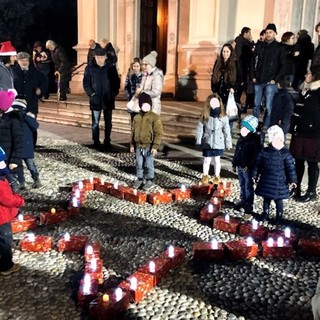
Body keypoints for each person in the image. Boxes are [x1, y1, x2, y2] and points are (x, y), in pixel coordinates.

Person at [253, 125, 297, 224]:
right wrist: (254, 175)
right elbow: (258, 165)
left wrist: (293, 180)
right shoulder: (265, 152)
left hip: (279, 181)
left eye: (279, 139)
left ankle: (279, 216)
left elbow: (290, 168)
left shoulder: (285, 154)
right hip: (266, 180)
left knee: (278, 200)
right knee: (266, 199)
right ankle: (265, 214)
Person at [289, 71, 320, 202]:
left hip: (313, 133)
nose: (306, 75)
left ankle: (311, 192)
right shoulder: (304, 90)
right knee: (298, 161)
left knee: (312, 163)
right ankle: (296, 188)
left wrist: (314, 126)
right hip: (299, 131)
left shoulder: (318, 92)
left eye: (308, 74)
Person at [250, 23, 287, 129]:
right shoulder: (259, 46)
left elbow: (283, 65)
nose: (268, 34)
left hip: (271, 81)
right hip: (258, 79)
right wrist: (252, 75)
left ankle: (266, 124)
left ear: (275, 33)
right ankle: (254, 124)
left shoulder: (280, 47)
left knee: (269, 106)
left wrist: (275, 79)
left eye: (270, 32)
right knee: (256, 105)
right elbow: (253, 61)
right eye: (266, 32)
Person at [83, 48, 120, 150]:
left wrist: (113, 92)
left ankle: (107, 140)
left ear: (105, 57)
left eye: (102, 57)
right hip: (96, 99)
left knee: (108, 122)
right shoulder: (90, 67)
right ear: (95, 57)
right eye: (98, 57)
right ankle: (96, 141)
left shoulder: (110, 67)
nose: (100, 59)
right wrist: (91, 93)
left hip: (108, 98)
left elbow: (116, 81)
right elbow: (86, 82)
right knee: (95, 122)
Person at [195, 93, 232, 185]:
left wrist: (228, 143)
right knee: (206, 160)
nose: (215, 104)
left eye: (216, 102)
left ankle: (216, 176)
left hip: (218, 142)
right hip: (207, 141)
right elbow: (200, 129)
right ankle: (205, 175)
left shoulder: (223, 117)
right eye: (212, 102)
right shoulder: (204, 116)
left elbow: (227, 130)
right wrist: (198, 141)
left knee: (216, 160)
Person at [130, 92, 163, 190]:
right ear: (140, 105)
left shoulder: (154, 117)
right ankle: (139, 178)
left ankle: (150, 179)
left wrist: (155, 146)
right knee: (139, 164)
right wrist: (132, 144)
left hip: (149, 146)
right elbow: (133, 132)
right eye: (144, 105)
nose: (146, 107)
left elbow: (158, 133)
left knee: (149, 164)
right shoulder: (136, 117)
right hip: (138, 145)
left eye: (148, 105)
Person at [0, 147, 25, 276]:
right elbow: (7, 199)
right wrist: (20, 201)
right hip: (2, 217)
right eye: (1, 162)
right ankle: (6, 266)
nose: (4, 165)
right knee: (5, 240)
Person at [232, 115, 262, 213]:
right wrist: (234, 163)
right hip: (239, 166)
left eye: (245, 128)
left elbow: (256, 157)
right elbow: (237, 152)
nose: (242, 130)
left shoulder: (254, 141)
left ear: (251, 130)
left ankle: (249, 204)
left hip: (248, 168)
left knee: (248, 186)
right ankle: (242, 200)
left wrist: (250, 167)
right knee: (242, 184)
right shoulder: (241, 139)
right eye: (242, 127)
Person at [12, 99, 41, 189]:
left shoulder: (27, 118)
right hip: (17, 147)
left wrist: (26, 117)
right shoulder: (12, 119)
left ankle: (36, 178)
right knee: (18, 166)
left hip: (27, 146)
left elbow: (35, 126)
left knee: (30, 164)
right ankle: (21, 182)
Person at [136, 51, 163, 115]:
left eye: (146, 64)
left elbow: (156, 92)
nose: (143, 66)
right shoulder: (144, 74)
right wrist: (137, 91)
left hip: (153, 106)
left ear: (151, 65)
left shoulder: (156, 75)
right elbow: (140, 86)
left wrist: (142, 92)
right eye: (142, 64)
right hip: (144, 105)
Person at [234, 27, 254, 111]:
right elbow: (240, 57)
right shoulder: (241, 42)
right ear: (245, 33)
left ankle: (244, 106)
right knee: (240, 89)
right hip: (242, 69)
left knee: (245, 89)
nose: (250, 35)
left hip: (245, 69)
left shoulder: (245, 42)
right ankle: (238, 106)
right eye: (249, 33)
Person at [124, 57, 142, 121]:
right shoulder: (129, 75)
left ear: (140, 66)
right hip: (132, 100)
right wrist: (129, 97)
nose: (136, 68)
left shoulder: (144, 76)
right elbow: (126, 87)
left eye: (137, 66)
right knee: (133, 120)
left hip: (141, 102)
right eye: (134, 66)